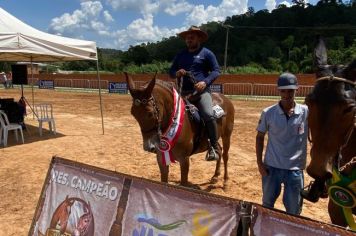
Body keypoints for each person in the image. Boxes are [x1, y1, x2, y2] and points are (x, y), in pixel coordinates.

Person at [255, 72, 308, 215]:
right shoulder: (268, 113)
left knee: (294, 211)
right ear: (278, 91)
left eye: (290, 90)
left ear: (297, 90)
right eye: (283, 91)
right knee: (267, 206)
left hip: (295, 170)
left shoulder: (305, 112)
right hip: (271, 169)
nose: (286, 94)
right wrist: (260, 164)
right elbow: (260, 137)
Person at [169, 25, 221, 161]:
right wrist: (176, 73)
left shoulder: (207, 53)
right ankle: (165, 143)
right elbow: (170, 72)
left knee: (208, 115)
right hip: (183, 92)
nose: (189, 39)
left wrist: (205, 82)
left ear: (199, 38)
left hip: (201, 92)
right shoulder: (180, 54)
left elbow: (216, 70)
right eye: (187, 37)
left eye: (192, 37)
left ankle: (214, 147)